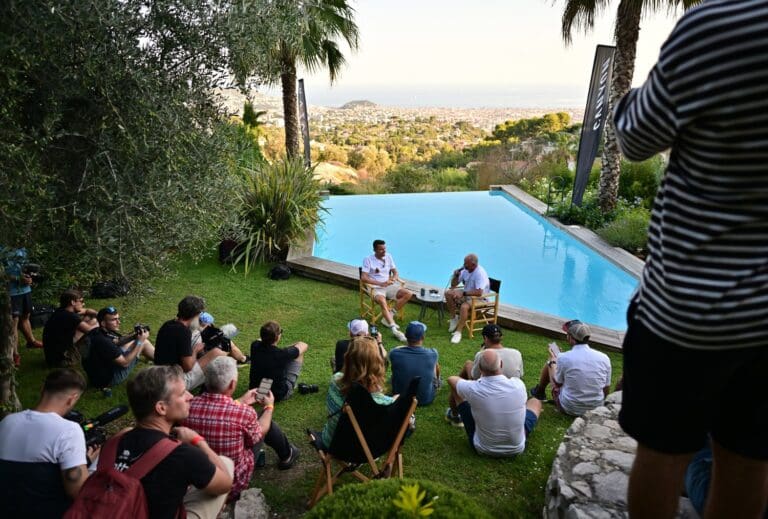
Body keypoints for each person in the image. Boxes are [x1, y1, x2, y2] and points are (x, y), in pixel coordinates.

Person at [612, 3, 768, 516]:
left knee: (663, 453)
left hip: (688, 312)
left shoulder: (715, 26)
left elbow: (636, 137)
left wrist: (626, 101)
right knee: (747, 460)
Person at [112, 365, 233, 518]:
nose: (190, 397)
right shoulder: (183, 454)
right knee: (226, 464)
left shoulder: (112, 445)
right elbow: (226, 484)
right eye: (182, 393)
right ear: (161, 408)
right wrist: (198, 441)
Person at [183, 357, 299, 501]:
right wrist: (269, 407)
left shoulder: (187, 407)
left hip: (197, 481)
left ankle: (287, 453)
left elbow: (216, 410)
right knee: (263, 419)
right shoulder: (244, 413)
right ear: (232, 384)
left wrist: (240, 401)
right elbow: (260, 431)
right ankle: (287, 455)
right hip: (231, 484)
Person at [0, 369, 96, 517]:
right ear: (72, 399)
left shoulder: (7, 422)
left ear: (42, 389)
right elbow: (76, 491)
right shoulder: (69, 430)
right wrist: (88, 463)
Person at [448, 349, 541, 457]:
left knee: (456, 389)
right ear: (501, 364)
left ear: (480, 368)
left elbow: (451, 379)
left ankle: (455, 416)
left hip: (483, 448)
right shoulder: (518, 385)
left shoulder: (473, 388)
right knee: (535, 402)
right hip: (516, 448)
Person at [317, 335, 394, 449]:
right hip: (364, 451)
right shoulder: (382, 403)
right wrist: (396, 400)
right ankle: (390, 462)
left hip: (331, 442)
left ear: (348, 358)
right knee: (409, 421)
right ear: (377, 362)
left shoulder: (335, 379)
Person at [445, 324, 524, 426]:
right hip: (509, 393)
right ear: (501, 337)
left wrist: (481, 353)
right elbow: (520, 375)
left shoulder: (482, 355)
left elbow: (475, 377)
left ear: (485, 338)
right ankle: (455, 411)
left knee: (468, 365)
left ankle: (455, 414)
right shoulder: (516, 353)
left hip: (486, 392)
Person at [529, 320, 611, 417]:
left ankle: (539, 393)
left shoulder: (564, 357)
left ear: (571, 338)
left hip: (570, 408)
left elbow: (557, 383)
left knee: (550, 363)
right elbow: (606, 388)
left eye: (567, 334)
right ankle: (539, 392)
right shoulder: (604, 358)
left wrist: (554, 360)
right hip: (595, 408)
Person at [154, 295, 226, 390]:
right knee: (219, 353)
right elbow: (188, 367)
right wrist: (195, 350)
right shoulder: (183, 332)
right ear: (195, 315)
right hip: (174, 381)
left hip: (159, 374)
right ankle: (211, 390)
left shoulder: (168, 324)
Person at [82, 306, 155, 389]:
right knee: (144, 343)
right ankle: (164, 361)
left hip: (96, 374)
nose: (118, 322)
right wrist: (140, 341)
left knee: (135, 342)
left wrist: (134, 336)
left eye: (118, 318)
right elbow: (124, 363)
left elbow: (116, 342)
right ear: (103, 323)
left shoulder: (96, 331)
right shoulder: (103, 341)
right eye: (114, 320)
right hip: (108, 379)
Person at [361, 239, 412, 342]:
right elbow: (364, 278)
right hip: (375, 287)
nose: (384, 251)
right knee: (383, 302)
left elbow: (395, 272)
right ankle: (394, 328)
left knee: (408, 293)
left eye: (384, 249)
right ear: (374, 250)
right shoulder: (368, 259)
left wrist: (393, 279)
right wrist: (381, 284)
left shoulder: (388, 256)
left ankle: (388, 316)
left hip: (388, 285)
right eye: (381, 250)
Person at [249, 321, 309, 402]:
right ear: (277, 337)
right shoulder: (282, 354)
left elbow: (261, 340)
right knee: (299, 354)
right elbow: (303, 345)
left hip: (256, 391)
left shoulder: (254, 345)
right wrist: (290, 349)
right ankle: (291, 385)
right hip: (275, 396)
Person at [2, 246, 42, 366]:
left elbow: (23, 268)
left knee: (26, 316)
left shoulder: (22, 248)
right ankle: (14, 354)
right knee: (14, 322)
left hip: (25, 290)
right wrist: (17, 278)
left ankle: (31, 341)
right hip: (11, 292)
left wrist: (30, 277)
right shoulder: (2, 249)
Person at [389, 321, 440, 406]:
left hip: (399, 397)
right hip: (425, 399)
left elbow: (396, 350)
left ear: (405, 336)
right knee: (435, 365)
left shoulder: (394, 353)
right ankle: (437, 383)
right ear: (423, 337)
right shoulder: (433, 353)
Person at [42, 289, 97, 368]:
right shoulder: (70, 317)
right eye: (81, 301)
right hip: (62, 360)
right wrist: (102, 321)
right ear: (72, 302)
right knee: (95, 327)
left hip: (52, 357)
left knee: (89, 318)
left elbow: (86, 311)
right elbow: (92, 331)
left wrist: (98, 314)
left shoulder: (61, 311)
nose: (83, 304)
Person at [444, 253, 490, 344]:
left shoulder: (480, 273)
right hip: (467, 294)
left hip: (481, 298)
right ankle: (454, 319)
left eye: (466, 264)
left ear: (473, 264)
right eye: (464, 263)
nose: (464, 265)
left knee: (464, 307)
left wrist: (463, 293)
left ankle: (458, 332)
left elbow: (479, 292)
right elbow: (453, 285)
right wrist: (456, 275)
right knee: (448, 293)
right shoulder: (465, 270)